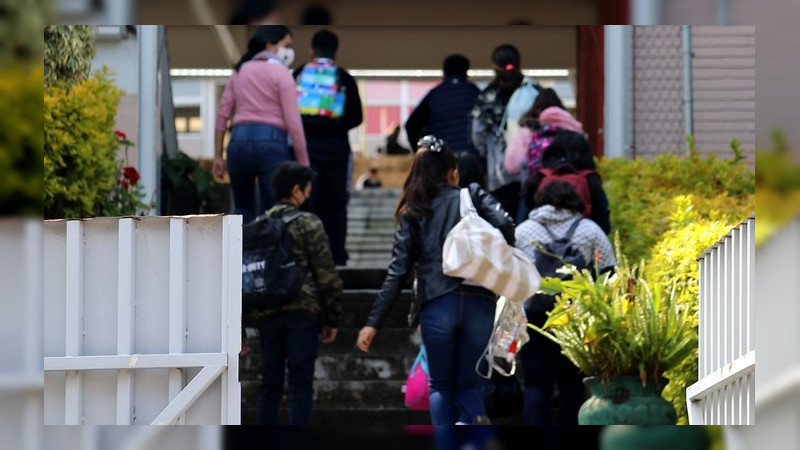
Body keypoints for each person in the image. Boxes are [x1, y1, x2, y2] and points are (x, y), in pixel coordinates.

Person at [355, 135, 515, 426]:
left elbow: (398, 271)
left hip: (437, 303)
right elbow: (505, 224)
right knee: (469, 382)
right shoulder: (473, 196)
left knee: (440, 385)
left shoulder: (413, 210)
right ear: (452, 172)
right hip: (480, 300)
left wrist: (373, 322)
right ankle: (472, 421)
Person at [248, 162, 343, 425]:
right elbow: (326, 274)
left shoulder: (256, 226)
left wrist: (242, 329)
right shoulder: (308, 223)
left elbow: (245, 277)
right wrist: (332, 318)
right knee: (301, 384)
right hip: (302, 313)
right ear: (296, 191)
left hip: (265, 313)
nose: (308, 196)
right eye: (307, 190)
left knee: (269, 384)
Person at [515, 180, 616, 425]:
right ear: (574, 201)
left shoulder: (524, 230)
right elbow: (611, 271)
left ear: (540, 201)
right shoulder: (590, 229)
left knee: (536, 384)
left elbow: (512, 275)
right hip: (576, 318)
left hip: (535, 319)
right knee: (572, 383)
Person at [213, 25, 309, 225]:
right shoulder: (282, 73)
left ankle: (242, 255)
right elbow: (293, 123)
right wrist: (303, 165)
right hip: (271, 143)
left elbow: (223, 114)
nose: (290, 51)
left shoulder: (240, 71)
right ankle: (267, 256)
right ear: (270, 45)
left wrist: (218, 155)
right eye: (287, 45)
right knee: (273, 210)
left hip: (238, 142)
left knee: (241, 208)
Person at [293, 29, 363, 266]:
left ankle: (307, 255)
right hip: (336, 151)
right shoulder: (343, 77)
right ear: (337, 51)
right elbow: (357, 116)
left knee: (307, 201)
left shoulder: (299, 74)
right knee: (336, 205)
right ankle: (337, 257)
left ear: (311, 50)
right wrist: (336, 126)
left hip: (306, 151)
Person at [504, 88, 584, 223]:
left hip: (535, 191)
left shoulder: (529, 130)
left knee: (522, 234)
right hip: (572, 191)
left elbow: (512, 165)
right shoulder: (573, 131)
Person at [470, 44, 525, 217]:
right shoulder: (531, 91)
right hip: (529, 171)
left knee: (503, 224)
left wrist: (488, 151)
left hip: (499, 171)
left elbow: (477, 133)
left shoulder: (488, 95)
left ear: (494, 65)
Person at [521, 129, 612, 234]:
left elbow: (524, 218)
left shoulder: (539, 178)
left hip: (539, 242)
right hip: (581, 242)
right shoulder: (590, 179)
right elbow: (604, 225)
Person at [405, 54, 481, 165]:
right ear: (466, 72)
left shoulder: (434, 95)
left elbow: (411, 125)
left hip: (442, 159)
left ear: (444, 72)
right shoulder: (475, 93)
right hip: (473, 159)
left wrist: (421, 153)